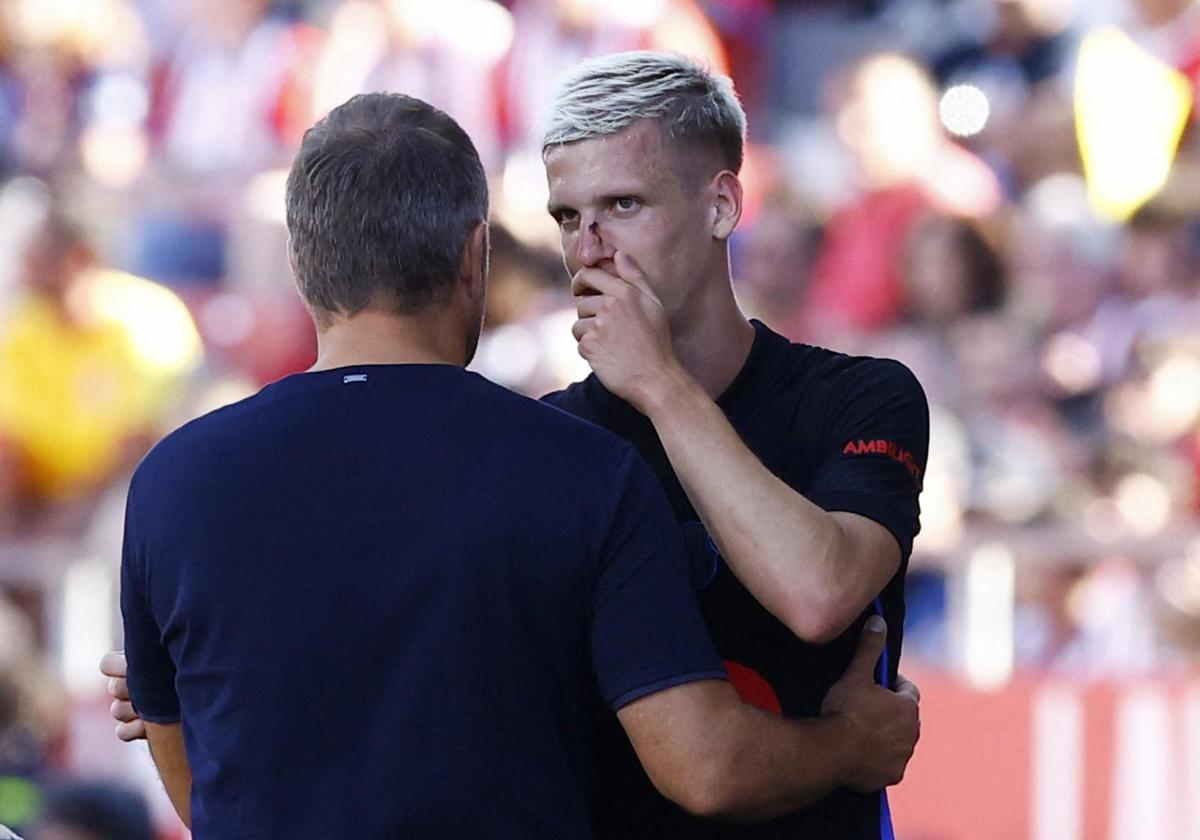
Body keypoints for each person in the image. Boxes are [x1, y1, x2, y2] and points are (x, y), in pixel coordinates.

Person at [109, 92, 918, 838]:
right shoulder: (577, 468)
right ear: (475, 258)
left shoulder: (171, 481)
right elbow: (706, 767)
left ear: (301, 264)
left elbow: (194, 780)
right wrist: (849, 745)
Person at [538, 51, 930, 838]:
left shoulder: (860, 397)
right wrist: (848, 747)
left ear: (721, 206)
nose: (589, 250)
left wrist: (661, 385)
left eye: (622, 205)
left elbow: (818, 592)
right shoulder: (547, 440)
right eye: (568, 217)